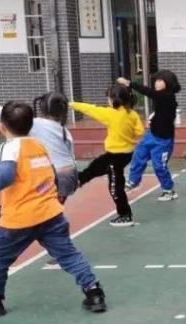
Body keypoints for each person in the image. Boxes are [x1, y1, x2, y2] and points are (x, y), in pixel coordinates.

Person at [0, 101, 105, 316]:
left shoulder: (7, 148)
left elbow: (0, 178)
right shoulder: (38, 145)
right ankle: (94, 292)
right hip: (50, 214)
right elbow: (51, 175)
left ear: (2, 127)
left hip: (19, 219)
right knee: (69, 255)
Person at [0, 90, 77, 223]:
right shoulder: (65, 131)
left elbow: (3, 112)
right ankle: (4, 213)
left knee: (28, 196)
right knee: (47, 211)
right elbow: (71, 156)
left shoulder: (37, 124)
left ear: (43, 107)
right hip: (69, 177)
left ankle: (3, 214)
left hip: (55, 178)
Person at [71, 83, 145, 227]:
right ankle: (79, 180)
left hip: (116, 156)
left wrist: (72, 104)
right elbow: (140, 131)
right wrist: (127, 132)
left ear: (114, 100)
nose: (108, 101)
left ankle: (125, 215)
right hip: (126, 154)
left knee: (115, 187)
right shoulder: (132, 114)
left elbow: (91, 109)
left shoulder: (110, 113)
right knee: (97, 165)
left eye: (108, 98)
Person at [120, 70, 180, 202]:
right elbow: (161, 112)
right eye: (156, 80)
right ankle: (133, 181)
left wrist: (130, 83)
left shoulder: (168, 96)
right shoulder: (161, 97)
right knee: (139, 155)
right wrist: (153, 117)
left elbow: (148, 92)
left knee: (159, 166)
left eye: (160, 80)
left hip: (163, 141)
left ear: (168, 82)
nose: (156, 83)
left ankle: (169, 190)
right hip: (151, 135)